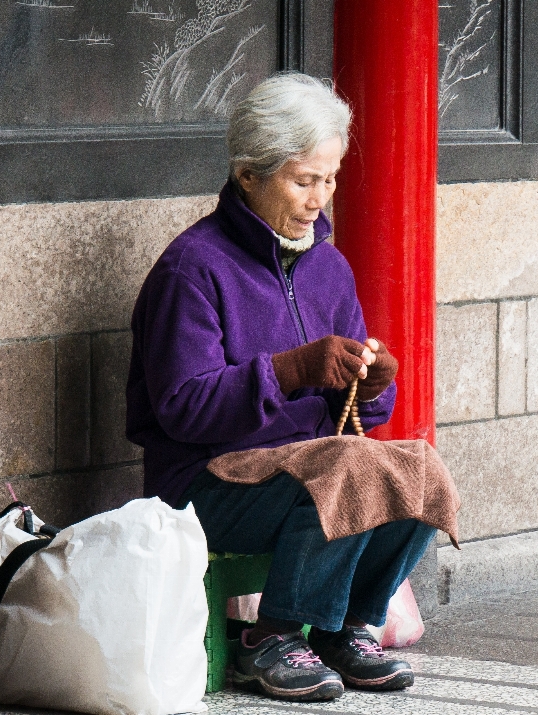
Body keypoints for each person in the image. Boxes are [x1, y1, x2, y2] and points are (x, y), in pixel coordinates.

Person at [126, 73, 437, 702]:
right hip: (205, 481)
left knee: (420, 469)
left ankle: (345, 627)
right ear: (249, 175)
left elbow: (358, 417)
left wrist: (371, 384)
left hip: (307, 472)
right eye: (303, 180)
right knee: (344, 468)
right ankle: (268, 638)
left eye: (328, 179)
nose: (318, 198)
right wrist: (291, 370)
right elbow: (183, 409)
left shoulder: (328, 265)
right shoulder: (192, 269)